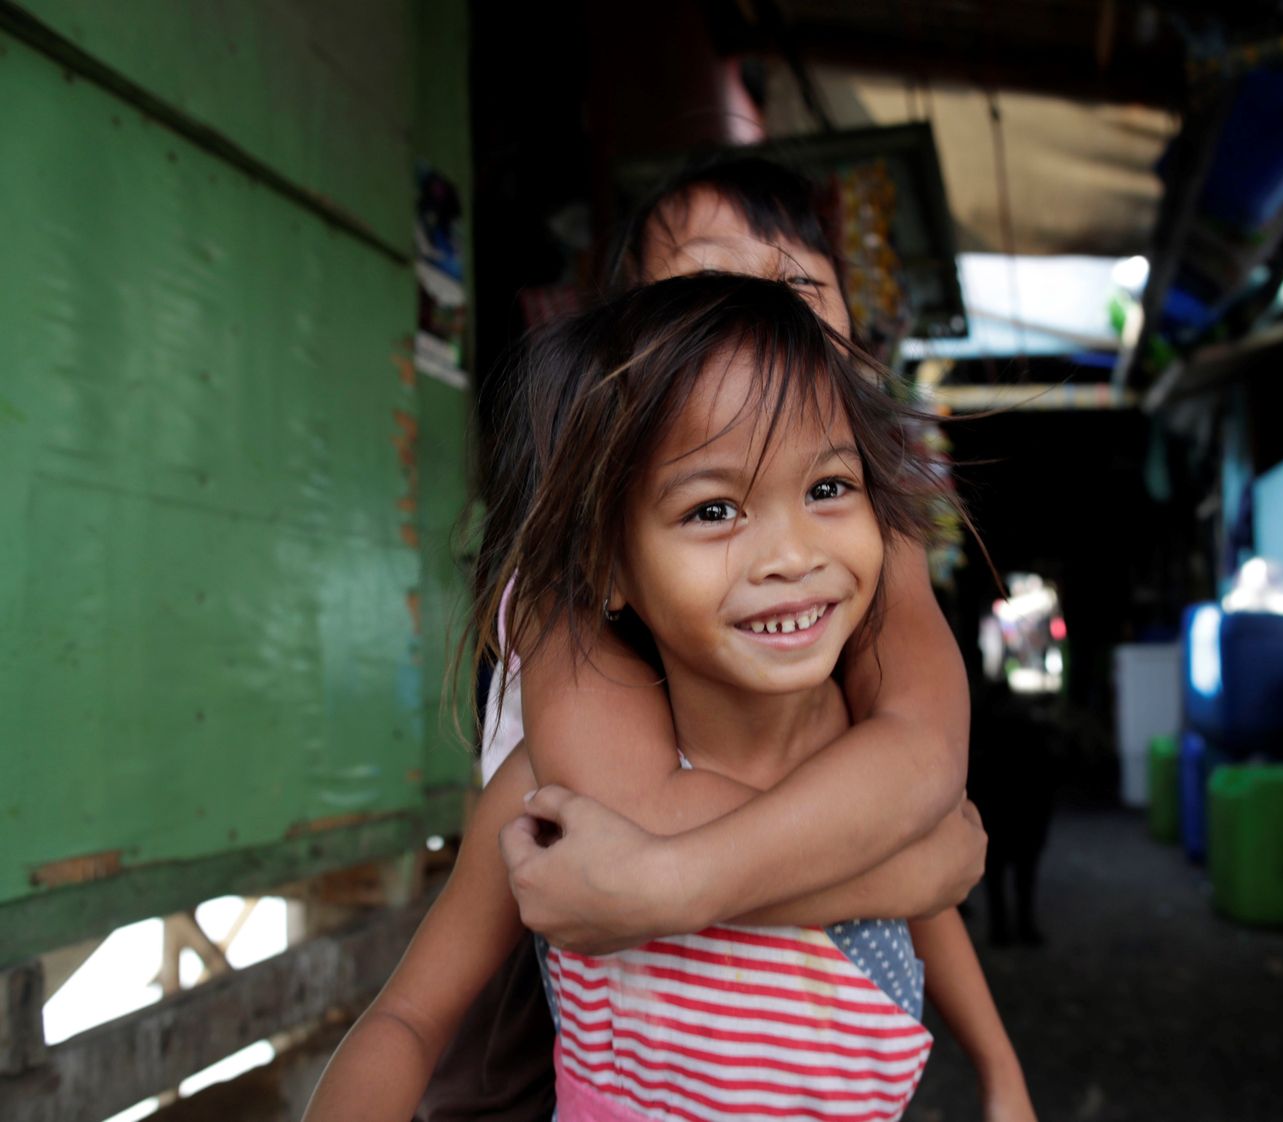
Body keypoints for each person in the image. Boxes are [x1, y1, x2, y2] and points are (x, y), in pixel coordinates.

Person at [305, 274, 1032, 1120]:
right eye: (715, 509)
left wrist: (1001, 1074)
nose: (791, 555)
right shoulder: (559, 796)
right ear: (609, 568)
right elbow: (407, 1019)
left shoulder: (866, 782)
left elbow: (921, 906)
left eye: (827, 489)